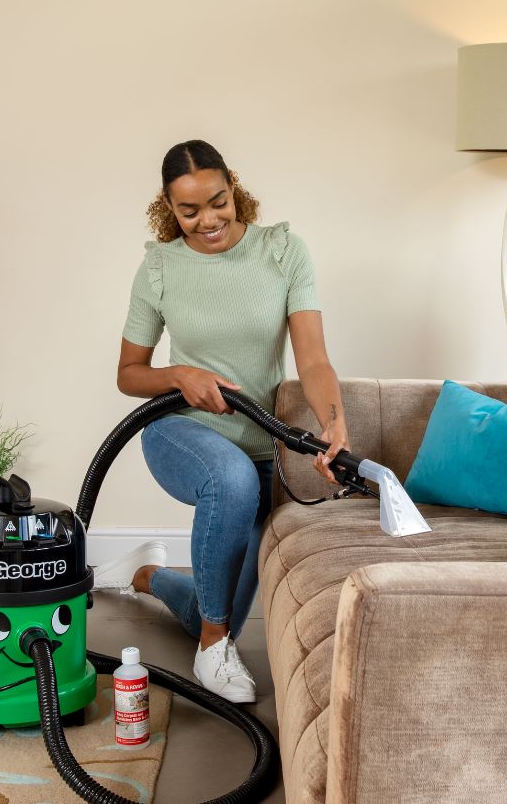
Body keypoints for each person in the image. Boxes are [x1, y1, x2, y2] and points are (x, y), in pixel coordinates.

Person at [94, 139, 349, 704]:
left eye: (218, 201)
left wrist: (334, 420)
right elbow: (129, 374)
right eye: (189, 211)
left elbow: (313, 359)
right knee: (229, 487)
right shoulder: (160, 267)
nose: (207, 220)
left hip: (260, 445)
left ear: (234, 187)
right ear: (168, 206)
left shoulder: (282, 252)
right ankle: (214, 652)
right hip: (179, 433)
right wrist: (179, 374)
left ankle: (147, 576)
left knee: (218, 607)